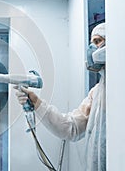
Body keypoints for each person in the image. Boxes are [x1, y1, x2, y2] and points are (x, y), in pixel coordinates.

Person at [15, 23, 106, 171]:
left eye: (97, 41)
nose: (91, 50)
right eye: (91, 43)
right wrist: (36, 102)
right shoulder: (96, 93)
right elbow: (71, 128)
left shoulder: (121, 89)